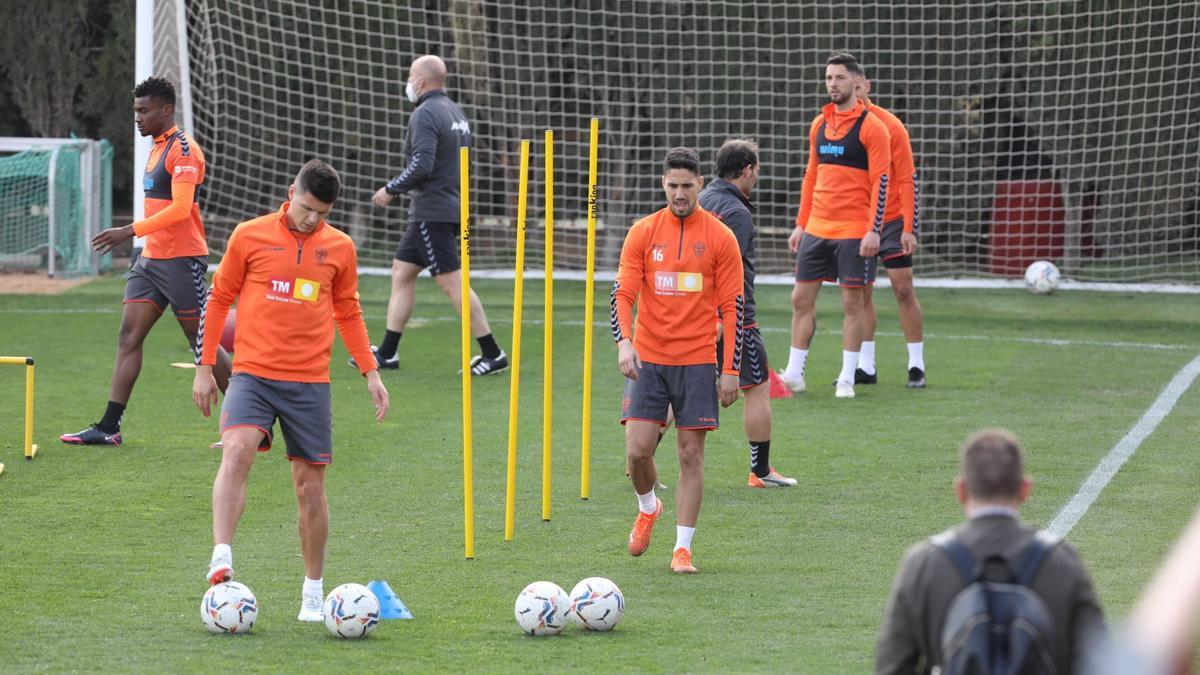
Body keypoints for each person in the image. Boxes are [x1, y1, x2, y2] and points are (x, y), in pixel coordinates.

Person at [192, 160, 389, 622]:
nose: (311, 219)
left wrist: (371, 372)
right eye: (305, 208)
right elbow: (219, 299)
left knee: (310, 490)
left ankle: (313, 591)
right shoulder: (249, 235)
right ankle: (222, 554)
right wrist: (204, 367)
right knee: (237, 450)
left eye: (321, 213)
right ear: (291, 192)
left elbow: (349, 312)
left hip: (309, 383)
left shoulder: (339, 247)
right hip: (253, 374)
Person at [61, 76, 232, 445]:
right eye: (135, 110)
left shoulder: (183, 150)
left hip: (181, 260)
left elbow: (182, 209)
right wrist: (141, 239)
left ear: (166, 110)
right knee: (128, 337)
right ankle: (109, 429)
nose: (137, 117)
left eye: (144, 110)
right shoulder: (157, 145)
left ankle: (251, 424)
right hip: (151, 261)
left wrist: (130, 230)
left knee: (202, 341)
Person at [875, 428, 1107, 674]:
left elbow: (892, 666)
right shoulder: (1062, 562)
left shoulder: (924, 563)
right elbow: (1101, 663)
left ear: (961, 490)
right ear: (1025, 489)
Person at [612, 147, 744, 574]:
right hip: (648, 360)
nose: (680, 193)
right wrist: (625, 343)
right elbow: (623, 294)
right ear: (663, 184)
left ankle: (682, 549)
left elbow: (733, 309)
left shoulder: (721, 238)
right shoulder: (643, 232)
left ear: (700, 185)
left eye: (687, 186)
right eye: (673, 186)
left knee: (690, 455)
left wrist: (730, 371)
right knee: (637, 451)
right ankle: (648, 507)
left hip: (697, 362)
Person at [358, 54, 507, 375]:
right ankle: (387, 352)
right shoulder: (456, 112)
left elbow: (422, 164)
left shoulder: (425, 114)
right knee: (402, 271)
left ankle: (493, 353)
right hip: (448, 206)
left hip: (432, 212)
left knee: (453, 284)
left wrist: (391, 188)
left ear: (421, 82)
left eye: (411, 75)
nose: (408, 81)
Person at [777, 52, 891, 399]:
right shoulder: (819, 124)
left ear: (856, 83)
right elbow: (811, 175)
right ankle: (795, 374)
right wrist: (800, 224)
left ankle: (846, 377)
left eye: (839, 78)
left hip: (854, 231)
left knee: (852, 304)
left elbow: (881, 182)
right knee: (800, 299)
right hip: (816, 228)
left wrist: (874, 229)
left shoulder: (872, 127)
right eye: (829, 78)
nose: (833, 84)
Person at [697, 139, 796, 488]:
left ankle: (640, 457)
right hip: (734, 316)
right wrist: (723, 319)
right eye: (757, 168)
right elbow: (726, 267)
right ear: (747, 169)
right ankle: (761, 471)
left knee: (683, 387)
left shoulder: (701, 199)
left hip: (691, 313)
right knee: (757, 388)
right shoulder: (737, 212)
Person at [852, 72, 927, 389]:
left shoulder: (890, 125)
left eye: (857, 86)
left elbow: (907, 178)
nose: (852, 93)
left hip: (893, 221)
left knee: (903, 289)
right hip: (857, 221)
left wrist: (910, 228)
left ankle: (916, 365)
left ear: (867, 86)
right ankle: (865, 367)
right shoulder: (836, 128)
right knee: (861, 293)